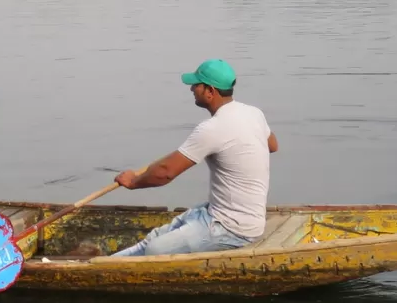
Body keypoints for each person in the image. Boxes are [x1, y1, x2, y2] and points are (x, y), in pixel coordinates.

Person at [112, 59, 277, 257]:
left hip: (233, 229)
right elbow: (272, 145)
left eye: (196, 85)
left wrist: (132, 182)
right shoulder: (253, 113)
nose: (191, 89)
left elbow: (164, 173)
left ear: (210, 91)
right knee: (153, 239)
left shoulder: (213, 128)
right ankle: (101, 264)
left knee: (155, 249)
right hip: (225, 214)